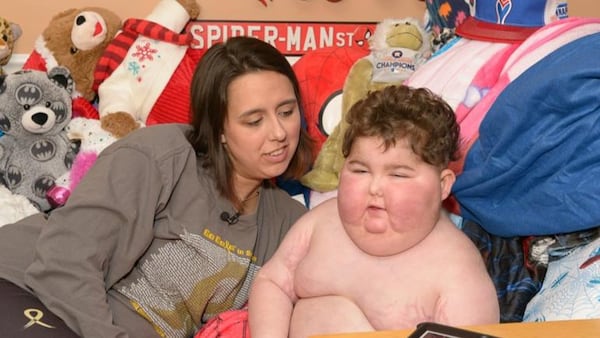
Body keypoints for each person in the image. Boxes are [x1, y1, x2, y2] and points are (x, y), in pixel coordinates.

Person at [0, 36, 314, 338]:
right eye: (254, 121)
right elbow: (63, 265)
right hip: (28, 288)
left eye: (286, 112)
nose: (279, 132)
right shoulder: (159, 155)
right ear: (218, 128)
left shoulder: (289, 222)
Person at [248, 84, 500, 338]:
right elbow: (272, 283)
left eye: (398, 174)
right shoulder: (320, 222)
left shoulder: (456, 271)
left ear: (442, 185)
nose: (375, 187)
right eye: (360, 170)